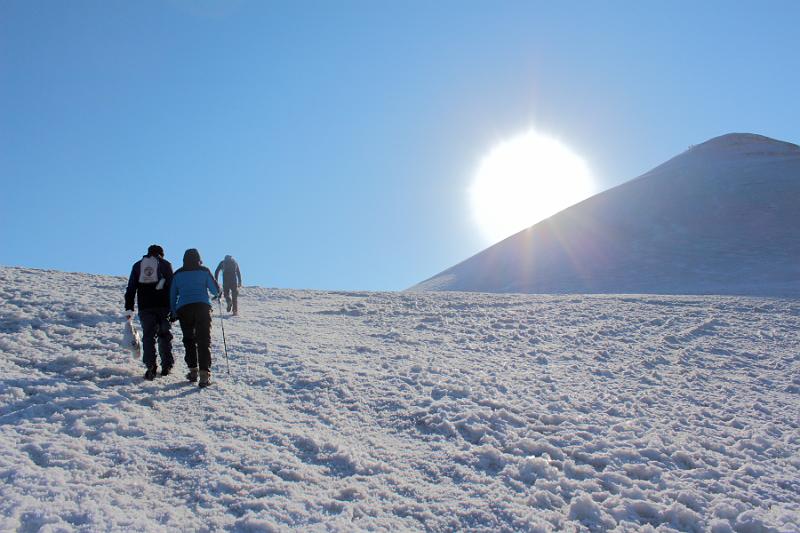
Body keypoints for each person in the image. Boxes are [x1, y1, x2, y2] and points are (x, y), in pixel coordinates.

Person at [170, 248, 221, 388]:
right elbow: (215, 290)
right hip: (202, 307)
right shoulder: (204, 271)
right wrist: (218, 294)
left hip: (184, 309)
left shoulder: (178, 274)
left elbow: (172, 295)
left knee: (189, 339)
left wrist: (174, 312)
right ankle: (204, 375)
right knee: (204, 340)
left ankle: (193, 371)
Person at [124, 244, 174, 380]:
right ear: (161, 254)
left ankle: (150, 366)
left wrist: (129, 307)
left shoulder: (138, 265)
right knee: (164, 334)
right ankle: (167, 365)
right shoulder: (165, 264)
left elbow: (131, 288)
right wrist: (173, 307)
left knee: (148, 336)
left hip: (145, 306)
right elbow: (172, 286)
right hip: (164, 306)